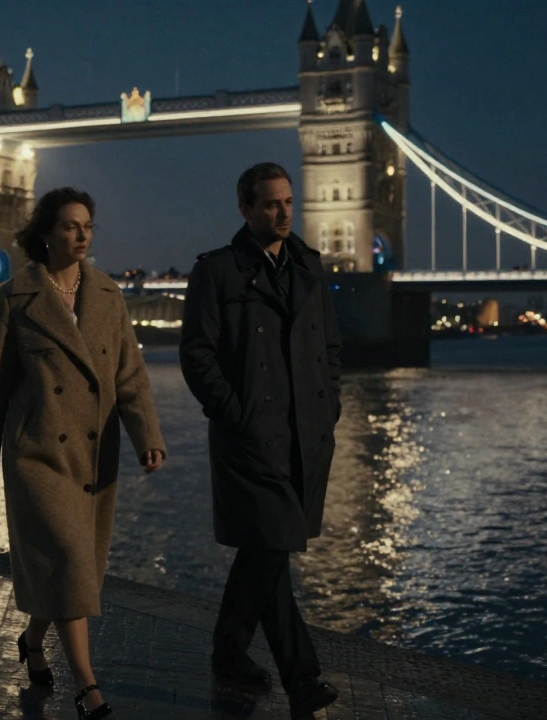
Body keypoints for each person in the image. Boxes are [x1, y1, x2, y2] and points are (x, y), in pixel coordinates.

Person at [0, 187, 167, 720]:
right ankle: (87, 685)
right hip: (38, 455)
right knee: (73, 562)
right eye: (71, 227)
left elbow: (128, 376)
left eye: (88, 227)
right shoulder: (17, 297)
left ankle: (33, 640)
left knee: (68, 570)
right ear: (48, 233)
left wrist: (148, 435)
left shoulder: (107, 295)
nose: (82, 235)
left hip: (93, 456)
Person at [178, 162, 343, 719]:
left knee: (263, 552)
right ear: (245, 208)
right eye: (270, 204)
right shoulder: (218, 273)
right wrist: (235, 414)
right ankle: (304, 679)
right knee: (272, 545)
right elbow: (197, 354)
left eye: (288, 202)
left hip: (303, 438)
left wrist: (331, 405)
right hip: (250, 440)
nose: (283, 213)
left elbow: (331, 351)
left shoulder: (310, 269)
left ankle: (229, 651)